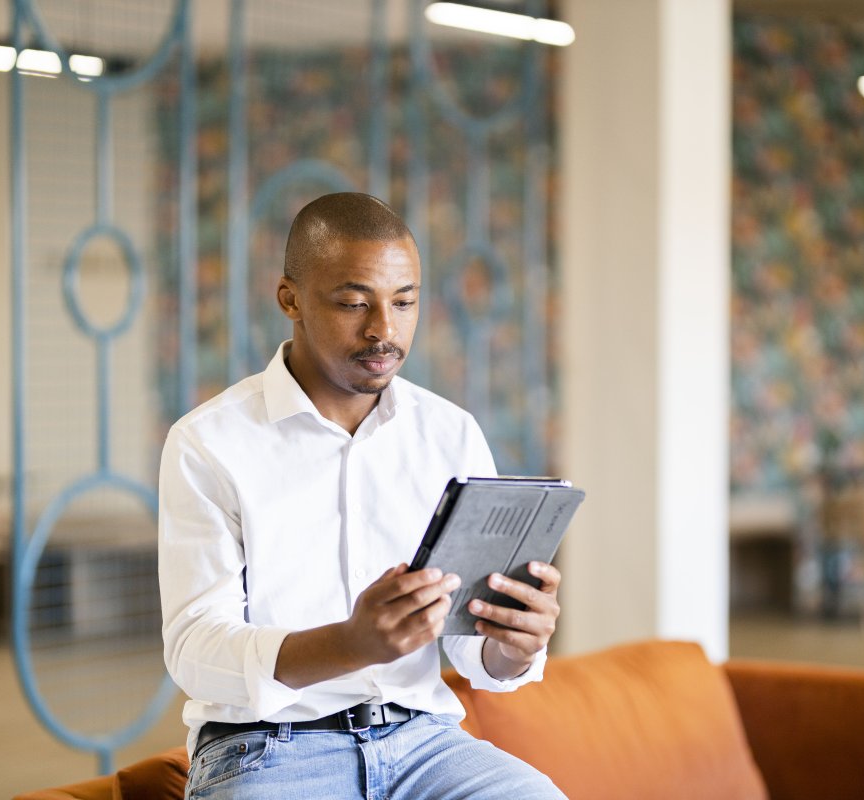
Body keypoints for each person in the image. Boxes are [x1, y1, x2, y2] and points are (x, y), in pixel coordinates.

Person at [158, 192, 566, 799]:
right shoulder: (209, 442)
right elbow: (195, 651)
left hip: (424, 744)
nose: (384, 330)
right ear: (290, 299)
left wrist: (514, 644)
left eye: (404, 301)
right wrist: (348, 645)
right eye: (354, 303)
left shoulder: (449, 434)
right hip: (266, 750)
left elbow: (473, 649)